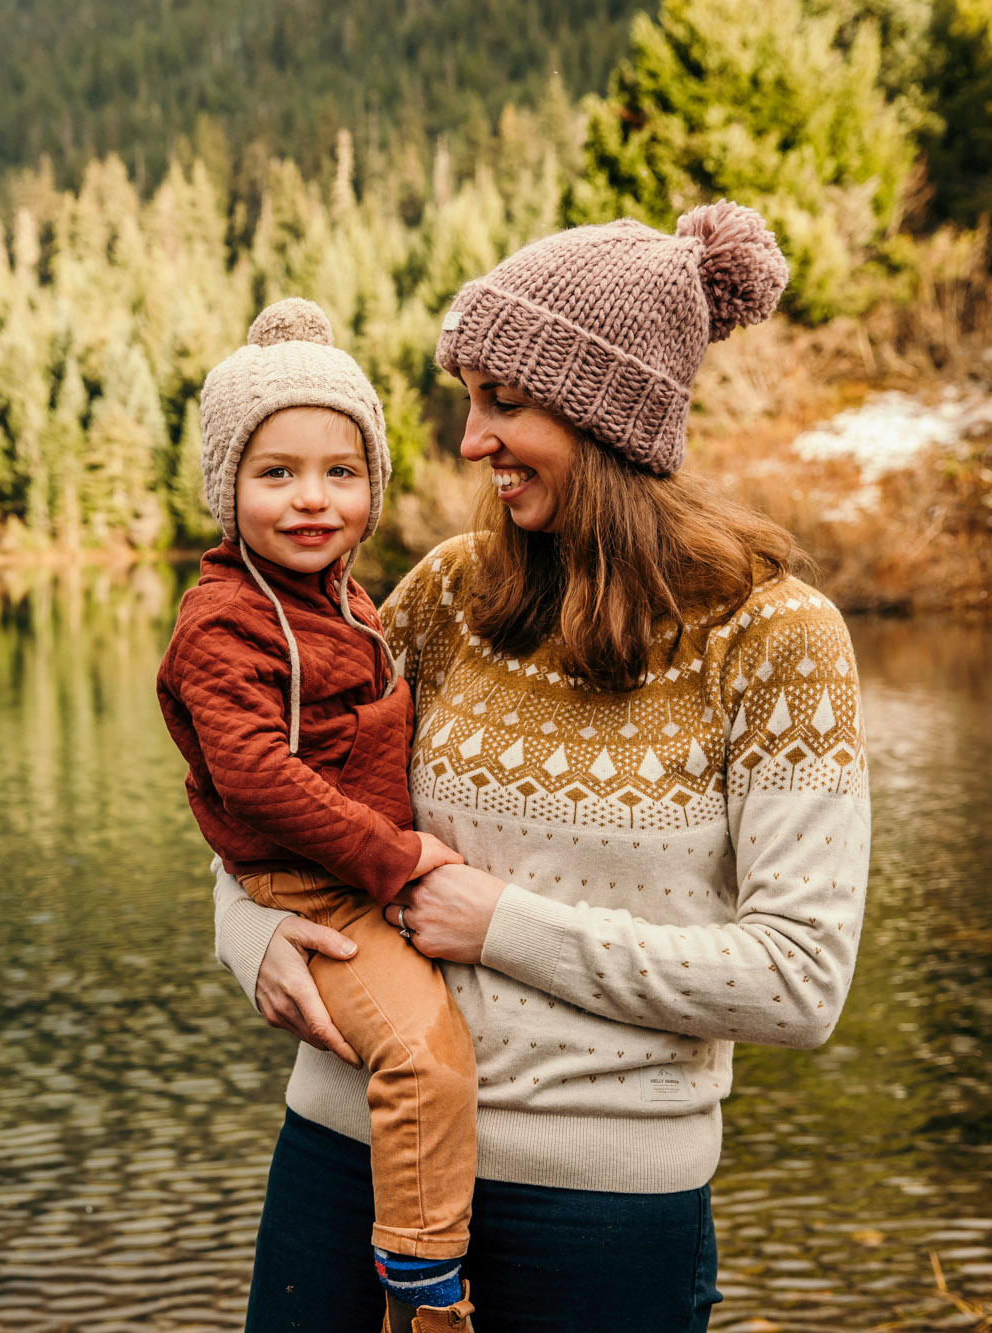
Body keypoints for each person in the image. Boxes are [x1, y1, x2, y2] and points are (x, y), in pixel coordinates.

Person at [213, 201, 874, 1332]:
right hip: (344, 1158)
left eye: (502, 403)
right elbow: (267, 786)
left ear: (600, 415)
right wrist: (249, 932)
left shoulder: (776, 640)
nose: (469, 440)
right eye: (470, 399)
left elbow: (798, 981)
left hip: (601, 1216)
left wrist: (499, 922)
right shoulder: (442, 598)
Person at [156, 297, 486, 1330]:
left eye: (340, 473)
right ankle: (424, 1286)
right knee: (423, 1055)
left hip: (348, 872)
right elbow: (254, 779)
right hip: (324, 889)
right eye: (275, 473)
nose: (311, 500)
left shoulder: (340, 598)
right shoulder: (224, 622)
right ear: (226, 488)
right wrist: (392, 860)